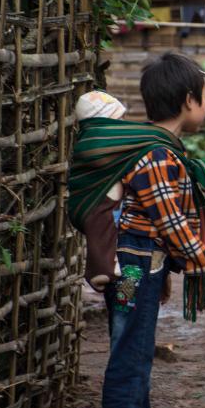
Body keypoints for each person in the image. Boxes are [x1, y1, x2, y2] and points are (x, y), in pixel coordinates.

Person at [69, 52, 205, 408]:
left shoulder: (159, 150)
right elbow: (171, 221)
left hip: (140, 267)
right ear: (188, 100)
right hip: (132, 271)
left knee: (135, 346)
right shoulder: (156, 156)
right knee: (129, 351)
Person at [73, 90, 127, 291]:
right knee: (129, 308)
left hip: (128, 255)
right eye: (119, 119)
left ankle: (105, 268)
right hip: (131, 260)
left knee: (126, 309)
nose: (125, 124)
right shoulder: (99, 146)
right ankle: (101, 269)